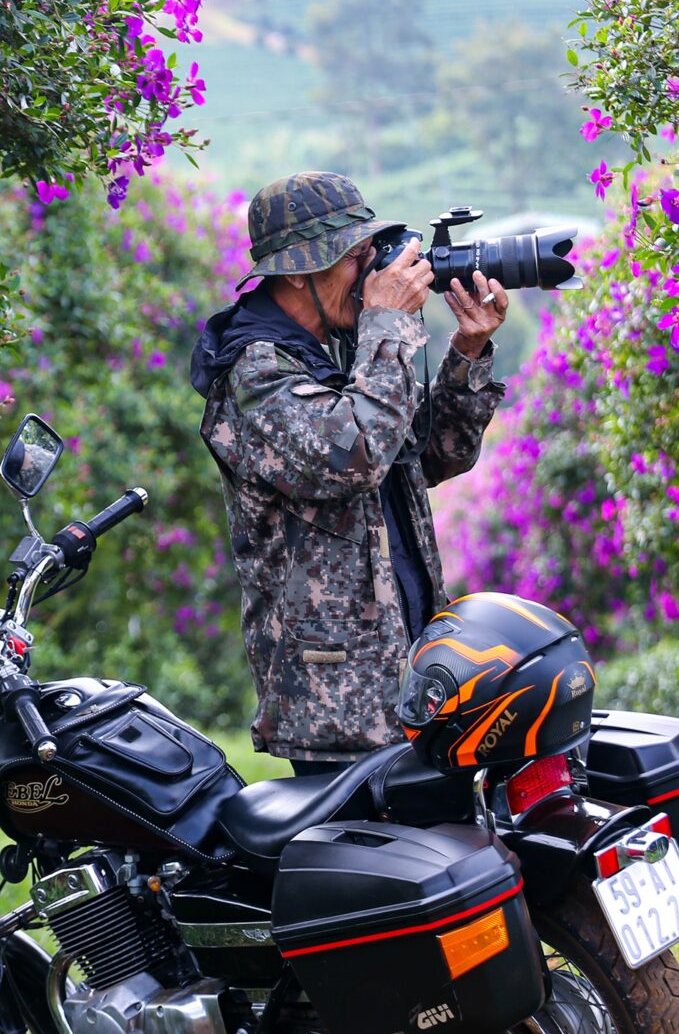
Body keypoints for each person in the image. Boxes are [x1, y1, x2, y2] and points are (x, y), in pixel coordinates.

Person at [188, 172, 507, 776]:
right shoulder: (255, 374)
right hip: (340, 710)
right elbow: (353, 462)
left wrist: (467, 352)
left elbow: (428, 457)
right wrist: (388, 327)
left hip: (414, 674)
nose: (370, 273)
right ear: (302, 271)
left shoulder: (337, 347)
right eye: (356, 256)